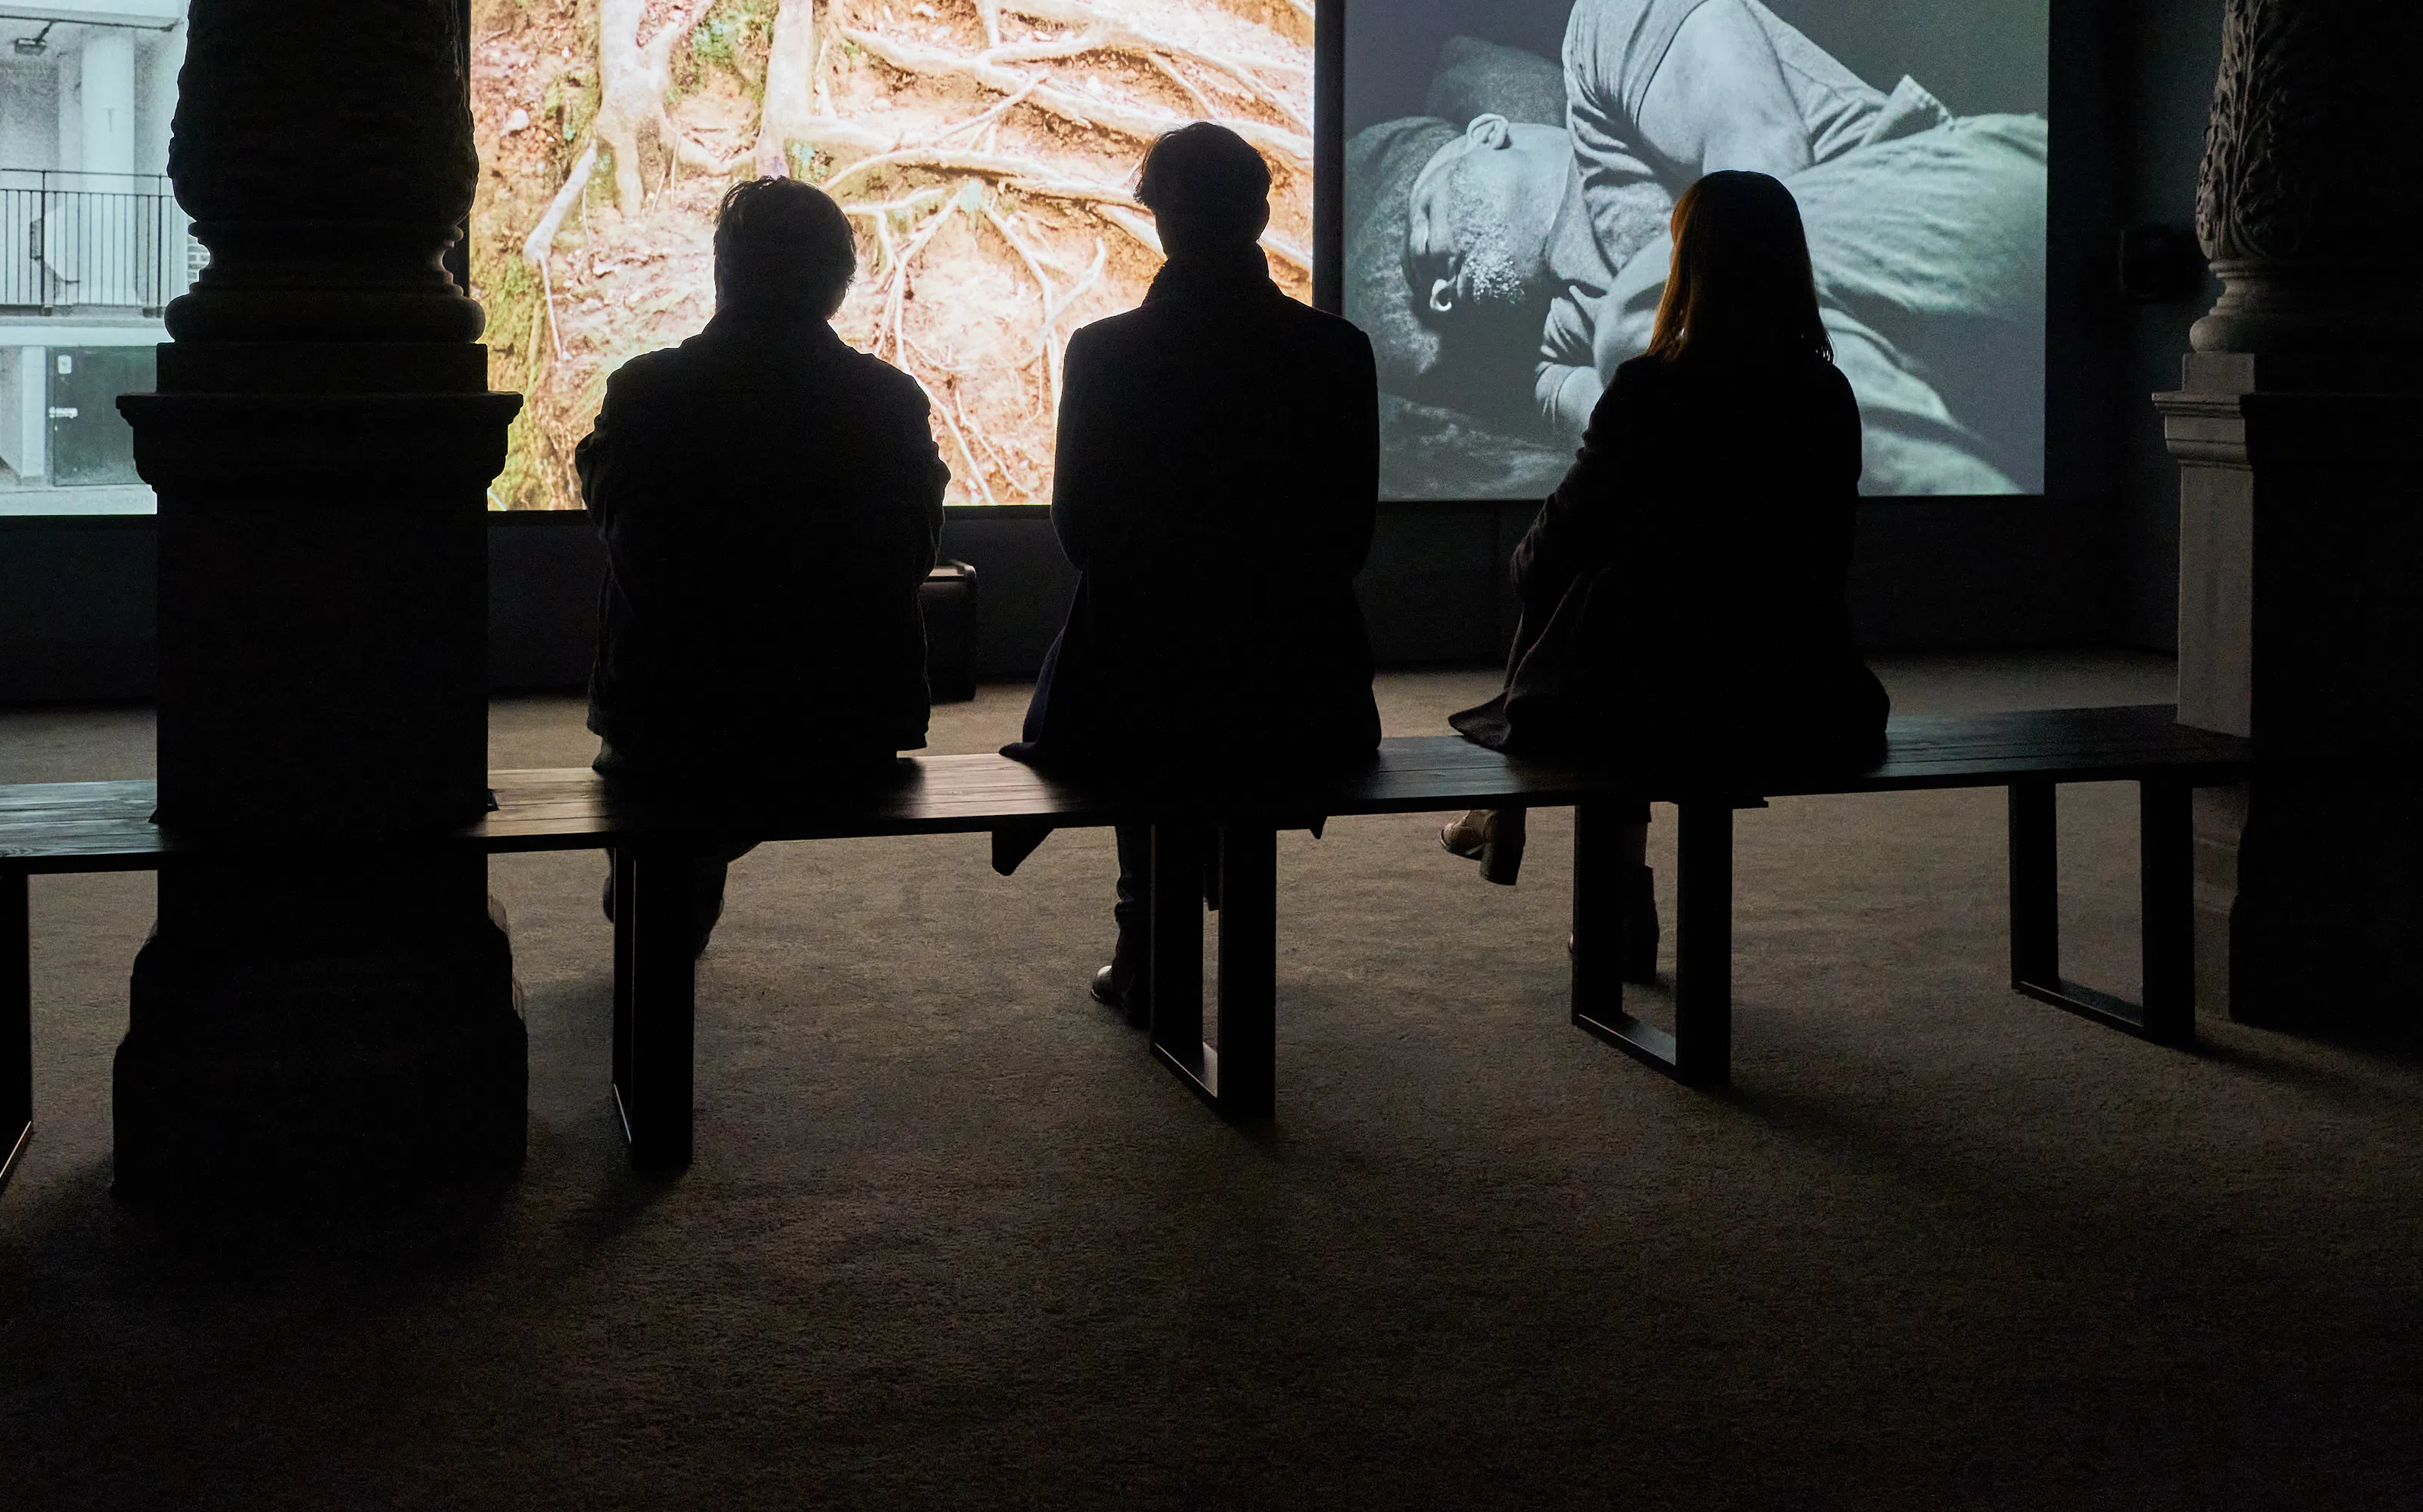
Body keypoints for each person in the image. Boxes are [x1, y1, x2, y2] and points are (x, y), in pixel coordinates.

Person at [1451, 169, 1890, 981]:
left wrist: (1536, 570)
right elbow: (1828, 557)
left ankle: (1589, 877)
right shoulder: (1826, 393)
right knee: (1622, 623)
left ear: (1690, 263)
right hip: (1803, 692)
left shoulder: (1652, 389)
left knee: (1595, 617)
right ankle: (1544, 845)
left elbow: (1552, 548)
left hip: (1663, 699)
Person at [1399, 0, 2044, 495]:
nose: (1438, 295)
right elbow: (1646, 446)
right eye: (1432, 299)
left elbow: (1765, 167)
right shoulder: (1550, 360)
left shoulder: (1603, 26)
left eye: (1423, 221)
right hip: (1936, 374)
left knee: (1663, 305)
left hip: (1953, 203)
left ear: (1486, 135)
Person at [1011, 122, 1381, 1018]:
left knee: (1119, 647)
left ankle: (1143, 929)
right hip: (1303, 695)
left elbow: (1080, 533)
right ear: (1259, 215)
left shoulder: (1105, 352)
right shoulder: (1336, 349)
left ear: (1159, 219)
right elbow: (1348, 539)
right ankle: (1183, 918)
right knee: (1209, 676)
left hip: (1136, 693)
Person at [576, 177, 950, 969]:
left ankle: (670, 886)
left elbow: (629, 540)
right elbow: (909, 555)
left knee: (669, 766)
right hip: (849, 728)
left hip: (673, 730)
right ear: (837, 284)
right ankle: (682, 871)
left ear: (723, 271)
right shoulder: (889, 402)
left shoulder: (647, 392)